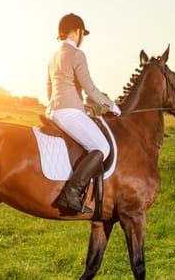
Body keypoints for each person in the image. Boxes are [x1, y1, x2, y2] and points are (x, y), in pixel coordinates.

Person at [46, 13, 121, 213]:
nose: (83, 39)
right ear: (77, 31)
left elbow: (50, 89)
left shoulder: (54, 56)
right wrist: (111, 106)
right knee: (102, 147)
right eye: (83, 34)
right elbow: (90, 88)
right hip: (68, 112)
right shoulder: (77, 54)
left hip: (53, 111)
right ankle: (71, 193)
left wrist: (80, 105)